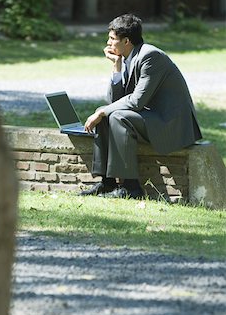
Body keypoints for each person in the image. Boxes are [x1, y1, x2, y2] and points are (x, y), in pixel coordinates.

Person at [80, 13, 202, 198]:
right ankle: (107, 182)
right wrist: (116, 67)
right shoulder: (127, 57)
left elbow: (136, 101)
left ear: (126, 40)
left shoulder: (150, 57)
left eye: (112, 39)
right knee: (104, 115)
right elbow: (114, 102)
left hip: (169, 123)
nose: (108, 43)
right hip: (150, 117)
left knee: (118, 117)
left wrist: (104, 111)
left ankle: (131, 188)